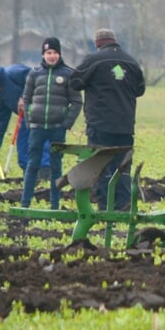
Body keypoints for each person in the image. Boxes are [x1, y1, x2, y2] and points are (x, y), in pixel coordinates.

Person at [70, 27, 146, 210]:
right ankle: (124, 204)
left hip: (100, 124)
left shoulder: (93, 60)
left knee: (100, 164)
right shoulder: (131, 61)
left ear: (97, 44)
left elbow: (75, 82)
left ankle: (105, 206)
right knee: (123, 165)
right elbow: (140, 90)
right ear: (114, 40)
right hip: (125, 125)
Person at [20, 37, 83, 209]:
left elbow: (77, 101)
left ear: (60, 54)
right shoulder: (34, 74)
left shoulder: (68, 74)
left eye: (55, 52)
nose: (52, 56)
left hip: (57, 129)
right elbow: (26, 99)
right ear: (43, 54)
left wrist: (66, 123)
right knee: (32, 165)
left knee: (56, 167)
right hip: (37, 128)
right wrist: (29, 119)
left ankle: (54, 205)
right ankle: (25, 204)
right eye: (48, 53)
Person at [0, 63, 49, 176]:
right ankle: (29, 173)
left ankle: (45, 171)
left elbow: (34, 77)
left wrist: (24, 96)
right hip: (26, 115)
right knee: (23, 143)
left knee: (41, 140)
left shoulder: (13, 72)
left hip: (42, 108)